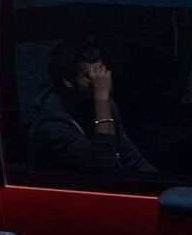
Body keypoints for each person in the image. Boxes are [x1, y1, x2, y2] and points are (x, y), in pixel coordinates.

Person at [26, 36, 160, 184]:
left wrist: (159, 185)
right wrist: (101, 98)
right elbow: (103, 170)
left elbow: (130, 158)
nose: (101, 81)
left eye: (101, 72)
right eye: (91, 76)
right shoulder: (52, 126)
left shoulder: (100, 102)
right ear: (68, 80)